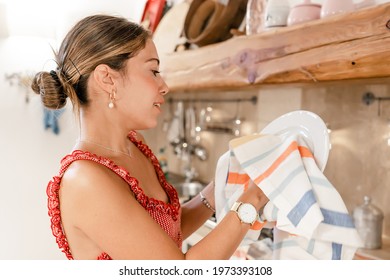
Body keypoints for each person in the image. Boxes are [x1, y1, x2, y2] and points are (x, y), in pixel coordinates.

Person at [31, 14, 268, 260]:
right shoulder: (85, 180)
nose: (164, 85)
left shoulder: (134, 145)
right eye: (153, 71)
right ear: (107, 79)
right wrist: (255, 196)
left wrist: (220, 184)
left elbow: (163, 236)